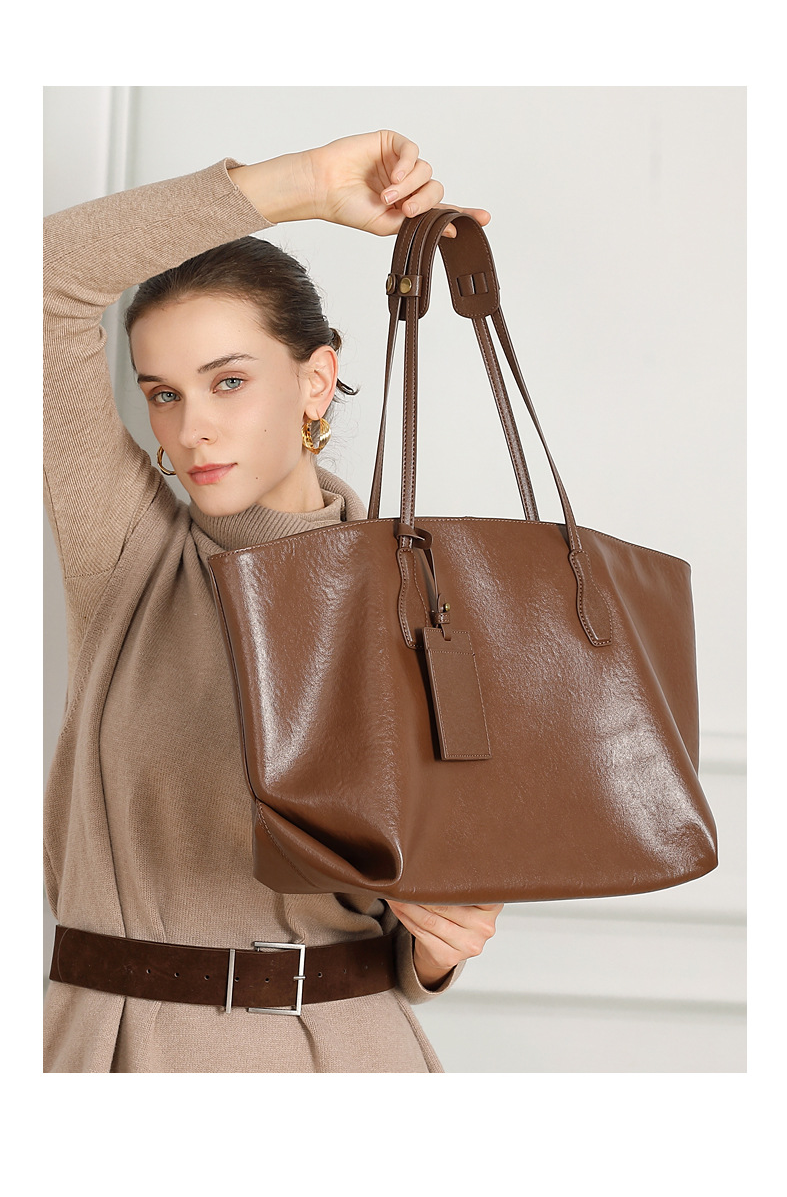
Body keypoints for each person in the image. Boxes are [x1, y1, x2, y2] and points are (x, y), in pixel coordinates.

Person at [43, 127, 504, 1073]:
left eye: (229, 381)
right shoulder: (127, 554)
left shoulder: (428, 601)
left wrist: (441, 940)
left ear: (315, 380)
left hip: (352, 1054)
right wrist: (306, 186)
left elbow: (420, 908)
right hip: (122, 1052)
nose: (192, 430)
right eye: (162, 394)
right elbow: (39, 278)